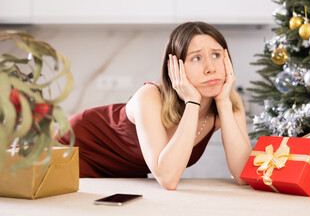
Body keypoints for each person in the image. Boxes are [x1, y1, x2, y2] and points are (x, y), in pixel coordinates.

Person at [56, 21, 252, 190]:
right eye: (196, 58)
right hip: (80, 148)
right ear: (175, 67)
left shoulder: (229, 102)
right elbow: (168, 179)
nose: (210, 68)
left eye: (216, 55)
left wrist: (224, 104)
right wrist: (192, 102)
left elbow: (244, 176)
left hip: (128, 174)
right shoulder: (149, 97)